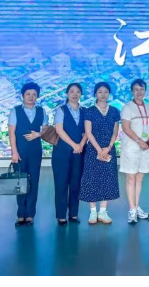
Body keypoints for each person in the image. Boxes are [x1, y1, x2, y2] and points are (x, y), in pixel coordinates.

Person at [79, 82, 121, 225]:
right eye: (100, 92)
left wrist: (108, 148)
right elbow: (88, 132)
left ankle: (103, 211)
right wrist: (99, 149)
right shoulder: (89, 111)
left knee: (107, 179)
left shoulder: (114, 111)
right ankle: (93, 212)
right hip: (92, 150)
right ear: (95, 94)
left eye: (106, 92)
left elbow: (115, 132)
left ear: (109, 94)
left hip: (109, 149)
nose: (103, 95)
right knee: (91, 179)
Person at [8, 82, 48, 226]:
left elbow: (46, 128)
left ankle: (30, 214)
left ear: (37, 96)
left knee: (34, 182)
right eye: (28, 94)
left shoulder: (42, 111)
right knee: (20, 182)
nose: (31, 97)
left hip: (35, 152)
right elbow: (11, 133)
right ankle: (21, 214)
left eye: (34, 95)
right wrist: (14, 152)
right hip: (20, 152)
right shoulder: (15, 111)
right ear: (22, 95)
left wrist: (39, 134)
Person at [120, 79, 149, 224]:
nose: (139, 92)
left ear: (145, 91)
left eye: (141, 89)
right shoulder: (127, 108)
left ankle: (136, 206)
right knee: (131, 178)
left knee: (140, 178)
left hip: (145, 148)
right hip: (132, 147)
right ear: (132, 91)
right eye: (136, 89)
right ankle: (132, 209)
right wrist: (139, 141)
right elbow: (126, 128)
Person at [52, 83, 86, 225]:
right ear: (67, 94)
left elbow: (88, 131)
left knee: (76, 184)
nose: (75, 94)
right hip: (62, 153)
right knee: (61, 184)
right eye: (72, 91)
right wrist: (74, 145)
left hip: (80, 152)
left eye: (78, 92)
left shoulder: (85, 111)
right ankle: (61, 215)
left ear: (81, 94)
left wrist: (81, 145)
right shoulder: (61, 110)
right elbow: (59, 130)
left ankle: (73, 214)